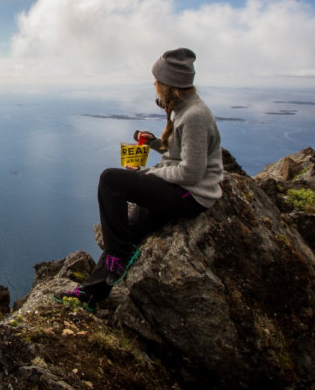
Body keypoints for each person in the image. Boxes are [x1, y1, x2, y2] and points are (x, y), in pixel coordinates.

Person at [54, 47, 223, 311]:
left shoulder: (194, 116)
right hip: (181, 189)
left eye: (157, 80)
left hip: (192, 196)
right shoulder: (183, 109)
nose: (154, 84)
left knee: (110, 180)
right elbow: (180, 153)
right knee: (125, 229)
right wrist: (155, 143)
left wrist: (149, 174)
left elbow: (192, 171)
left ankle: (119, 255)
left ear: (168, 84)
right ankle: (91, 294)